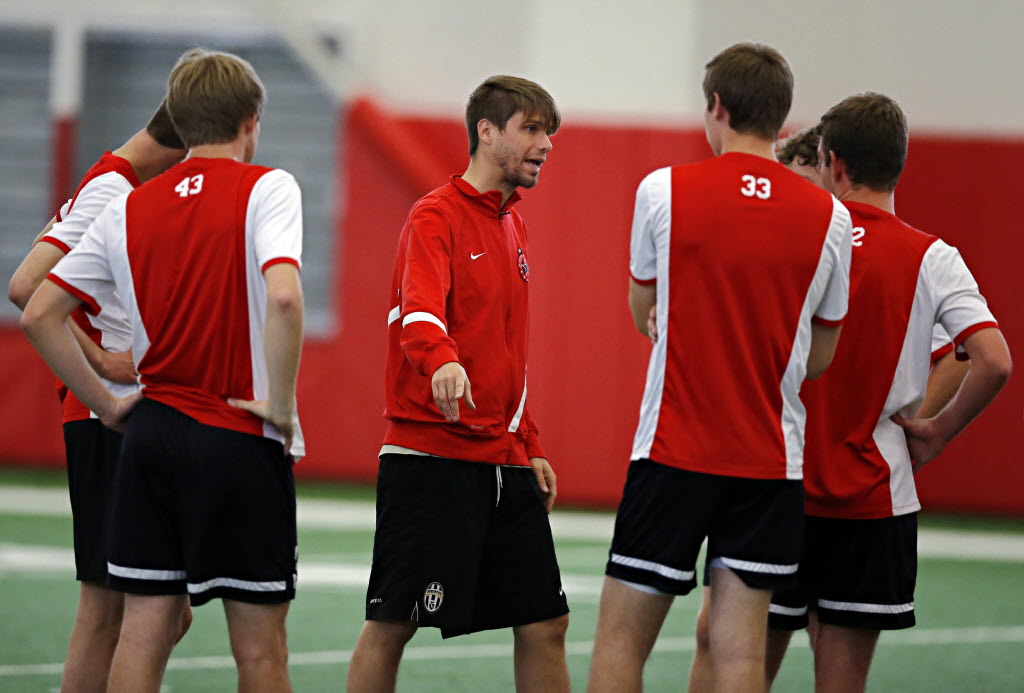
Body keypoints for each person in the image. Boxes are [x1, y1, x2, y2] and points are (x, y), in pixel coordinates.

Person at [21, 48, 305, 693]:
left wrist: (107, 402)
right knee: (260, 651)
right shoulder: (269, 185)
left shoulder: (128, 205)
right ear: (251, 120)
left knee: (141, 633)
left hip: (151, 437)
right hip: (238, 432)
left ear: (177, 119)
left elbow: (38, 310)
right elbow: (284, 296)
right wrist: (282, 406)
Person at [587, 43, 853, 693]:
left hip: (673, 450)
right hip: (768, 463)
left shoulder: (662, 190)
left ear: (717, 107)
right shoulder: (832, 218)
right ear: (784, 119)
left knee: (621, 643)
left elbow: (642, 310)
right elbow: (820, 358)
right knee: (740, 657)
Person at [763, 92, 1011, 693]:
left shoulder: (792, 241)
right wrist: (937, 432)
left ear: (834, 163)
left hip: (775, 489)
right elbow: (994, 361)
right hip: (873, 501)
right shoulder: (934, 257)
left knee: (740, 671)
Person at [346, 75, 569, 693]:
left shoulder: (513, 227)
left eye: (549, 132)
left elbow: (506, 353)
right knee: (393, 622)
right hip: (431, 458)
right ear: (487, 132)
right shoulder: (433, 215)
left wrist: (531, 441)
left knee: (547, 621)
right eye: (532, 129)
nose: (546, 144)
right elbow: (419, 311)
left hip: (504, 457)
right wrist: (441, 359)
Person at [8, 101, 188, 693]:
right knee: (107, 608)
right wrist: (103, 360)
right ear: (182, 148)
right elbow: (27, 286)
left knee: (161, 609)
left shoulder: (111, 178)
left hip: (122, 413)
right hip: (106, 411)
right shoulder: (111, 188)